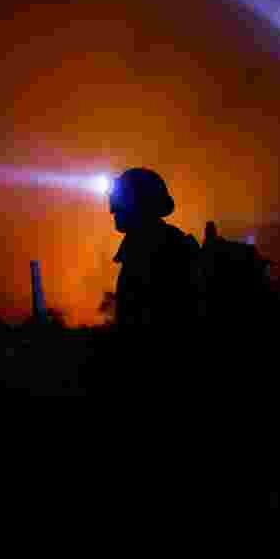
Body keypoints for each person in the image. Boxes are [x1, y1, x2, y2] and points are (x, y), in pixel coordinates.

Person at [95, 167, 199, 393]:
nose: (113, 209)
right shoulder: (149, 243)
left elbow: (152, 328)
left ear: (139, 204)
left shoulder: (159, 247)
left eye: (120, 200)